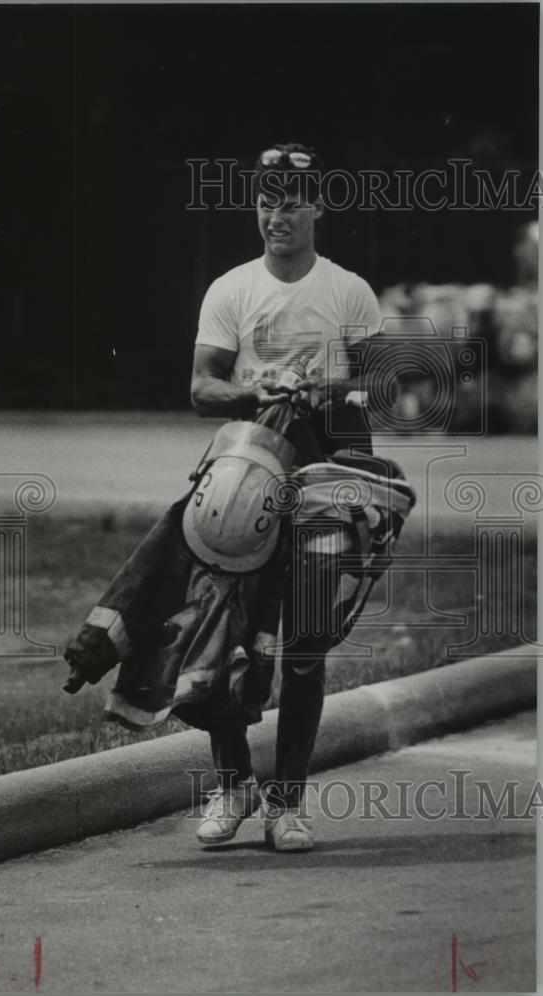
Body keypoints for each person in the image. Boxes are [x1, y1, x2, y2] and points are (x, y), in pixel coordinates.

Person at [190, 143, 384, 851]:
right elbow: (200, 388)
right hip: (247, 468)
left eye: (292, 200)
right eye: (267, 200)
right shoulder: (231, 289)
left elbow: (379, 385)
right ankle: (230, 783)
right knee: (227, 632)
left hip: (327, 470)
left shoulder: (347, 290)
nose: (278, 214)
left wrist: (332, 390)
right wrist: (255, 390)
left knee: (304, 639)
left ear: (317, 207)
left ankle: (287, 802)